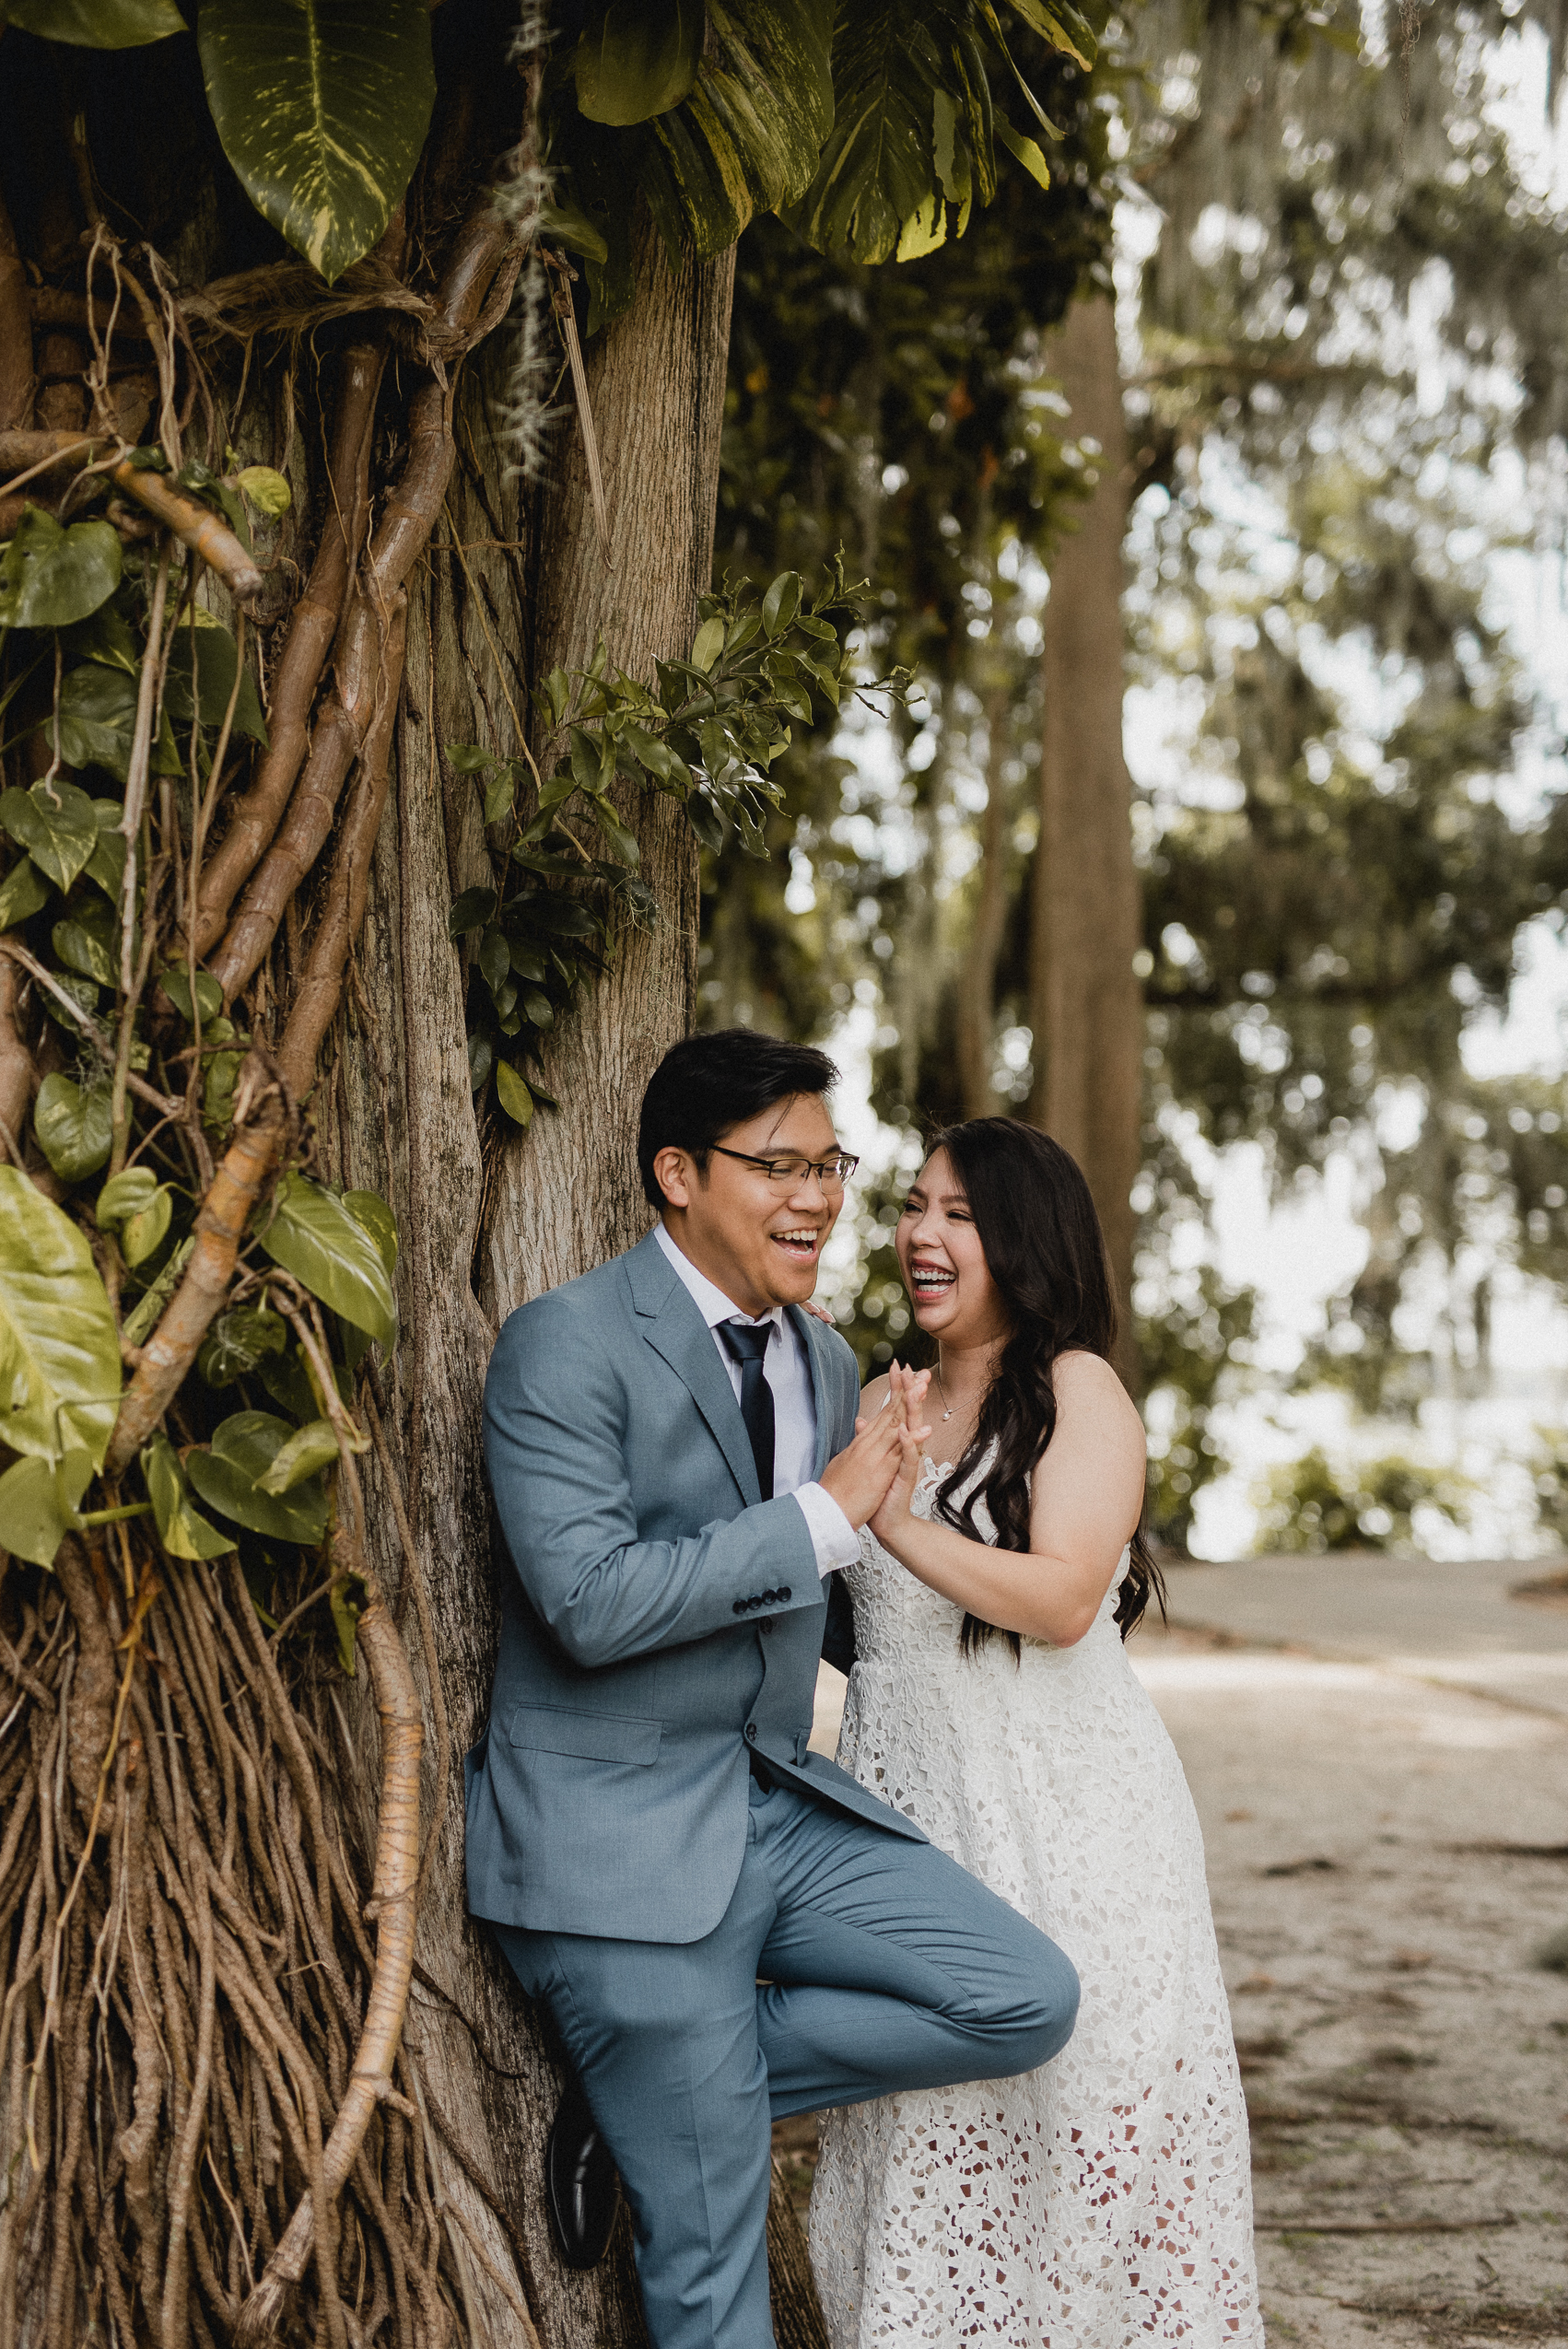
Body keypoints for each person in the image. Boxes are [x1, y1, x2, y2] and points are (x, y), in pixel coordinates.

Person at [463, 1034, 1081, 2349]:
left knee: (1023, 1993)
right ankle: (665, 2090)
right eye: (781, 1165)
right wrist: (820, 1513)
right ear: (677, 1174)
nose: (818, 1197)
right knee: (714, 2273)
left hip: (774, 1807)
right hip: (616, 1841)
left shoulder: (820, 1356)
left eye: (830, 1164)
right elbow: (587, 1604)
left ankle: (656, 2089)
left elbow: (837, 1590)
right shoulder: (560, 1345)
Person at [810, 1116, 1263, 2349]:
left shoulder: (1077, 1390)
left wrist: (893, 1519)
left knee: (1079, 2137)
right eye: (911, 1205)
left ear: (1023, 1237)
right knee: (927, 2128)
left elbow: (1065, 1597)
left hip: (1074, 1823)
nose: (919, 1233)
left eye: (957, 1212)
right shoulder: (873, 1401)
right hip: (909, 1811)